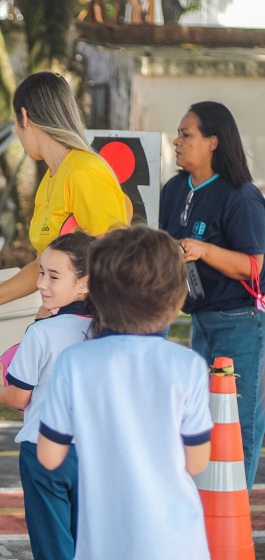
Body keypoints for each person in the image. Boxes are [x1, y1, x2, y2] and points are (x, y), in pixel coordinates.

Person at [38, 227, 212, 560]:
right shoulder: (187, 365)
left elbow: (49, 457)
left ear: (94, 293)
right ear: (177, 300)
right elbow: (197, 461)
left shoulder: (73, 363)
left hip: (104, 542)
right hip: (179, 541)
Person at [0, 71, 129, 333]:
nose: (17, 135)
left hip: (95, 327)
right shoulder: (51, 178)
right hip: (67, 323)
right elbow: (39, 268)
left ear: (25, 117)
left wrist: (57, 312)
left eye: (15, 124)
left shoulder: (83, 171)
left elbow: (111, 259)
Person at [159, 101, 265, 493]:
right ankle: (204, 507)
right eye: (179, 134)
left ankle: (232, 511)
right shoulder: (173, 190)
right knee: (200, 418)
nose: (177, 141)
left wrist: (205, 250)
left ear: (213, 142)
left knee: (240, 421)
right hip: (200, 321)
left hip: (240, 323)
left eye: (187, 134)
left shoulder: (241, 197)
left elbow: (255, 267)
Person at [0, 232, 93, 560]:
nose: (41, 284)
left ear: (83, 284)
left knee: (52, 547)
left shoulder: (41, 333)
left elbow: (19, 397)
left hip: (44, 448)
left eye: (53, 276)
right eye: (41, 273)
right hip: (95, 450)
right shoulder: (113, 328)